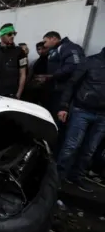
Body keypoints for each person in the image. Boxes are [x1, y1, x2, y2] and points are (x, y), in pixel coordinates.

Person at [56, 47, 105, 192]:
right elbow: (71, 84)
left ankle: (76, 177)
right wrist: (63, 106)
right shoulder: (90, 62)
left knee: (89, 150)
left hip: (103, 115)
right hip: (82, 110)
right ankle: (57, 177)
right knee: (71, 146)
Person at [42, 31, 85, 154]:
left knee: (60, 124)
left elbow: (74, 66)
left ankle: (56, 153)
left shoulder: (70, 48)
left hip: (64, 94)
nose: (44, 44)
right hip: (55, 91)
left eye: (45, 41)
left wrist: (52, 76)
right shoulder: (57, 49)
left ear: (53, 38)